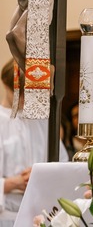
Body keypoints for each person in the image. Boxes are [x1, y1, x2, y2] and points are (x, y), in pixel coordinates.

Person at [0, 59, 68, 226]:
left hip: (42, 213)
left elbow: (63, 164)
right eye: (22, 92)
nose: (27, 98)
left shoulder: (41, 120)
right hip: (7, 216)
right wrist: (11, 183)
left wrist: (43, 174)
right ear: (7, 85)